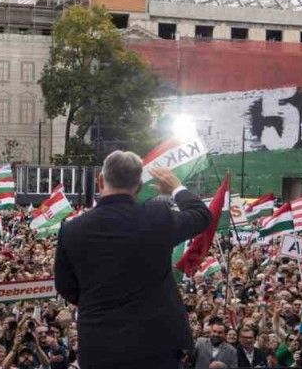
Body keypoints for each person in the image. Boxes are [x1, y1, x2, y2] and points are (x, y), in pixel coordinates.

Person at [54, 153, 212, 369]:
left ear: (100, 180)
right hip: (155, 345)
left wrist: (98, 301)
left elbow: (65, 286)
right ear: (139, 185)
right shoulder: (156, 217)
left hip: (100, 343)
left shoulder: (72, 229)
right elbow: (201, 215)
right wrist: (177, 188)